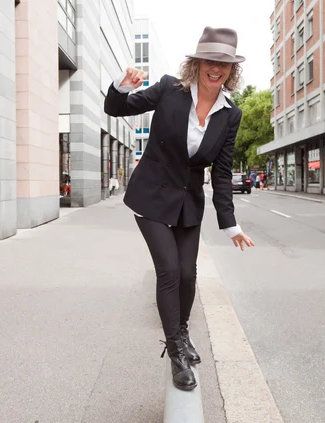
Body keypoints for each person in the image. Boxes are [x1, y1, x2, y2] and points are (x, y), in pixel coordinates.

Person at [104, 27, 254, 391]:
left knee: (188, 273)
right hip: (152, 196)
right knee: (169, 270)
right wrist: (123, 85)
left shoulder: (230, 114)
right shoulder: (170, 90)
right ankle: (175, 353)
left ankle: (182, 334)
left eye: (224, 64)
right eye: (210, 61)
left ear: (231, 71)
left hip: (188, 201)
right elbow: (117, 108)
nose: (216, 68)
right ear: (197, 62)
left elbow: (220, 170)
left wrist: (230, 223)